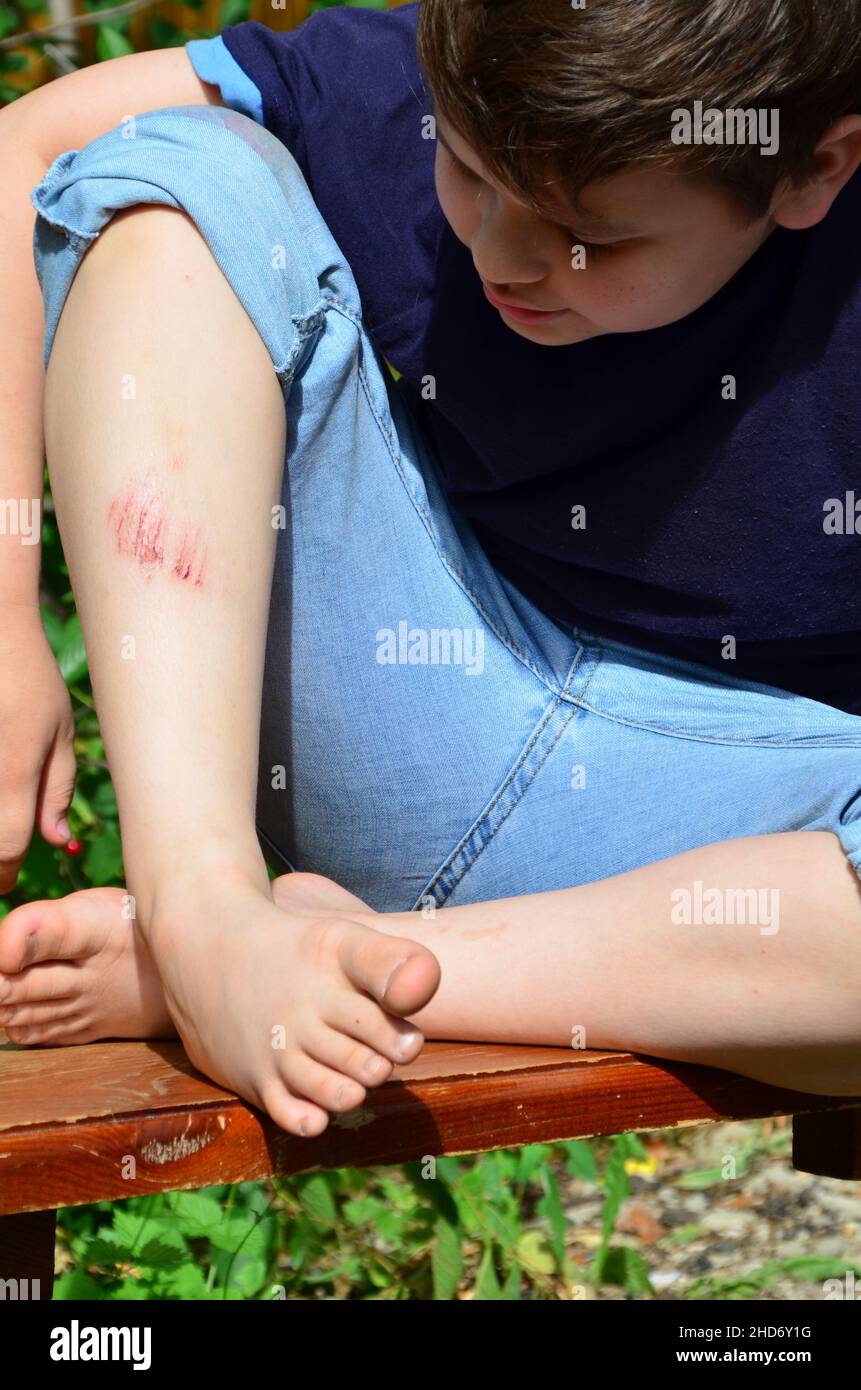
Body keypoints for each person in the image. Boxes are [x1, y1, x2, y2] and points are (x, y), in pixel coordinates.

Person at [1, 0, 860, 1139]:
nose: (501, 251)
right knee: (172, 175)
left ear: (813, 171)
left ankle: (301, 968)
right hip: (404, 703)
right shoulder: (428, 78)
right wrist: (8, 606)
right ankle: (204, 906)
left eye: (586, 231)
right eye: (466, 170)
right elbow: (28, 146)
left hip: (719, 864)